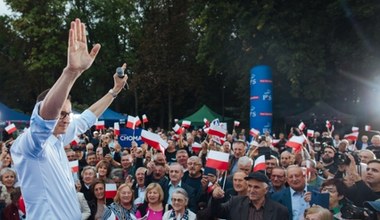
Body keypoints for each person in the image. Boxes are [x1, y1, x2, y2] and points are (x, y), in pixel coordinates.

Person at [10, 18, 128, 219]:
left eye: (68, 114)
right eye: (60, 113)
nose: (66, 119)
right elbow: (44, 120)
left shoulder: (59, 139)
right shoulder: (30, 145)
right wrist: (71, 72)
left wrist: (114, 91)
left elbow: (87, 118)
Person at [210, 171, 289, 220]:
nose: (251, 190)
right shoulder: (235, 202)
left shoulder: (279, 210)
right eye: (250, 186)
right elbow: (216, 212)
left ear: (266, 190)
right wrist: (215, 198)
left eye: (256, 187)